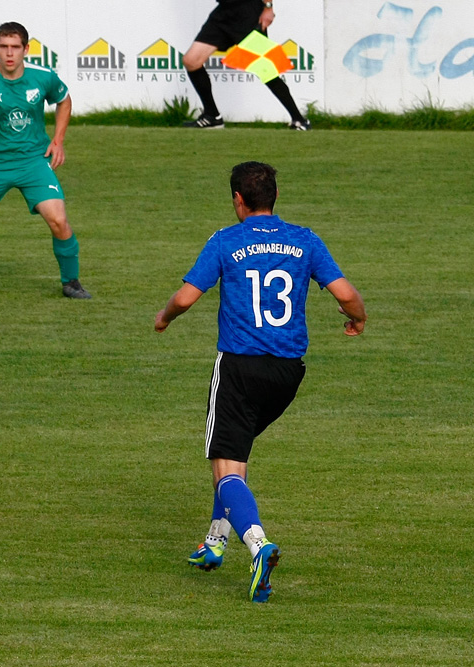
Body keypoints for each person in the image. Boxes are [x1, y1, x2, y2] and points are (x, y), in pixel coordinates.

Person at [154, 162, 366, 601]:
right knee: (236, 455)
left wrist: (164, 316)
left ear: (238, 200)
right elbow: (346, 295)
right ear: (274, 197)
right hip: (287, 374)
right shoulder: (305, 240)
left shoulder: (225, 241)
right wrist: (357, 318)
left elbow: (187, 296)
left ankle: (257, 545)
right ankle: (214, 542)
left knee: (225, 464)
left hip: (238, 368)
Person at [0, 21, 91, 299]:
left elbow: (64, 100)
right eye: (3, 47)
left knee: (58, 219)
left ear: (26, 49)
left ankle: (71, 281)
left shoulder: (43, 76)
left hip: (33, 161)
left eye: (15, 47)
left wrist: (58, 139)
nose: (9, 53)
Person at [182, 0, 311, 130]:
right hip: (225, 11)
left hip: (247, 12)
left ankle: (299, 120)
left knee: (265, 70)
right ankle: (212, 116)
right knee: (191, 61)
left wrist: (268, 7)